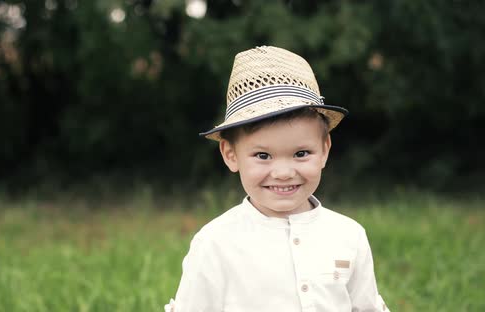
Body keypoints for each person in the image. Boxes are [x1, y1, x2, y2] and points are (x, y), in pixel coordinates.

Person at [165, 46, 389, 312]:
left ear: (325, 150)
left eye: (301, 153)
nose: (283, 172)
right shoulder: (215, 243)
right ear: (231, 154)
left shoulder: (348, 236)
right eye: (263, 155)